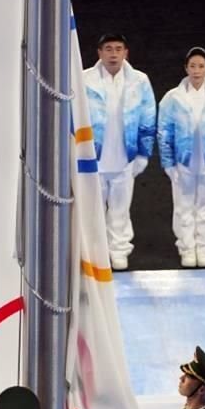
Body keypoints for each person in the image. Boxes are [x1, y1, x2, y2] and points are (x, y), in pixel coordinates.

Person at [157, 47, 205, 268]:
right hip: (184, 161)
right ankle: (187, 248)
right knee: (183, 206)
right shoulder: (173, 98)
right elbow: (164, 132)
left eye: (201, 66)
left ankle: (204, 248)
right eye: (192, 66)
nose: (196, 70)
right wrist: (168, 162)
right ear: (186, 68)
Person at [82, 33, 156, 271]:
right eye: (108, 49)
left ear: (126, 53)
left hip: (125, 156)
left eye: (118, 49)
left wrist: (143, 153)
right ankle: (96, 253)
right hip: (94, 157)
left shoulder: (139, 81)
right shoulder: (84, 79)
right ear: (99, 53)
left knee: (121, 209)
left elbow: (147, 118)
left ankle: (119, 251)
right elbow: (73, 118)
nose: (113, 54)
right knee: (93, 209)